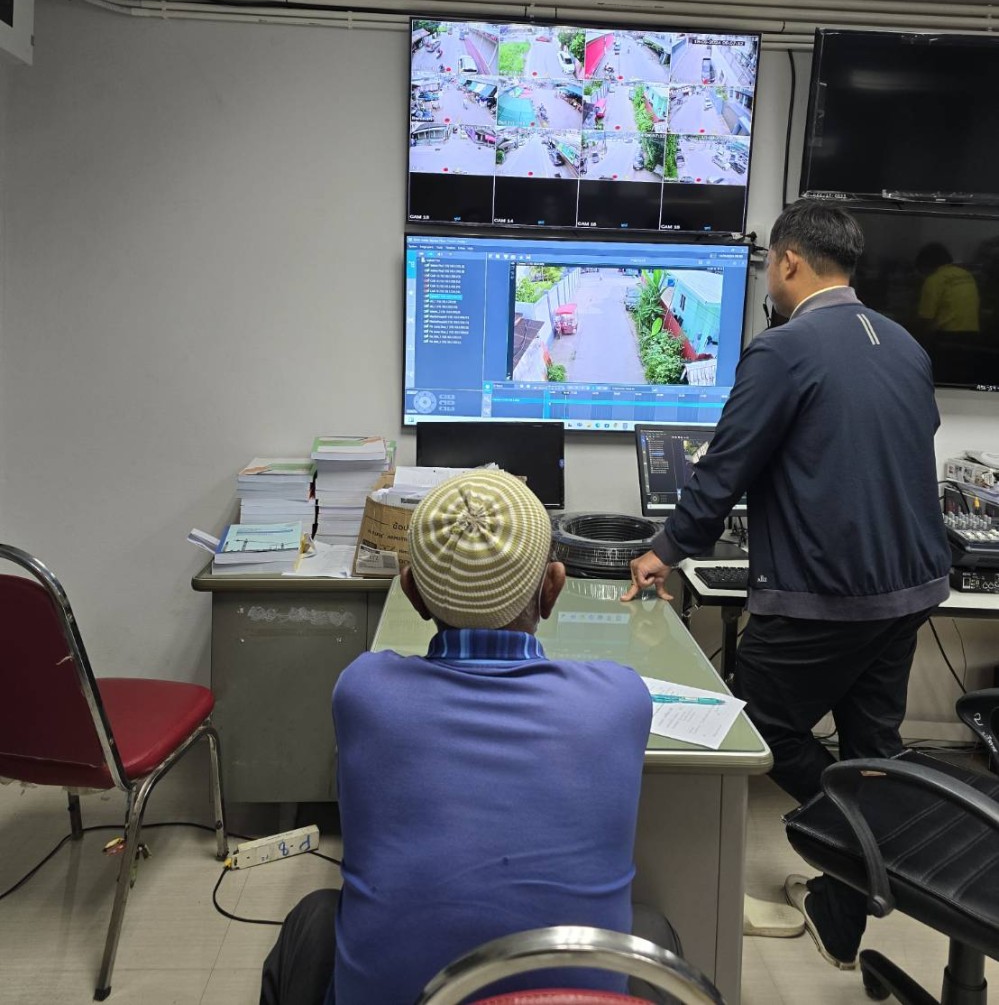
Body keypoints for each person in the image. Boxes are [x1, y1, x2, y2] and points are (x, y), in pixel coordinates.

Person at [622, 200, 951, 972]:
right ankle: (842, 910)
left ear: (789, 261)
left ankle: (860, 852)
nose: (768, 276)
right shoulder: (904, 344)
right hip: (910, 587)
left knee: (757, 727)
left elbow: (724, 466)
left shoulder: (782, 348)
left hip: (826, 591)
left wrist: (663, 551)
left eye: (767, 263)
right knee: (871, 746)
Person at [261, 470, 659, 1005]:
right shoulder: (620, 699)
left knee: (312, 915)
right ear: (553, 586)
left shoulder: (363, 691)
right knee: (654, 930)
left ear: (412, 593)